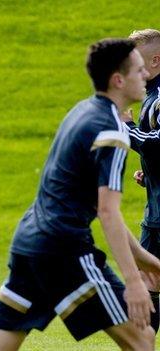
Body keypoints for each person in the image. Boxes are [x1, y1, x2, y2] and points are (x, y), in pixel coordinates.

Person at [0, 38, 160, 351]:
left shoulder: (81, 112)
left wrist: (150, 264)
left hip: (29, 244)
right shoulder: (112, 133)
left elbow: (92, 204)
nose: (146, 76)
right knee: (142, 339)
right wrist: (133, 282)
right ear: (119, 79)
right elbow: (108, 213)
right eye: (139, 71)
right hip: (64, 251)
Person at [123, 28, 160, 334]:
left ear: (155, 61)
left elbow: (158, 142)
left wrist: (127, 128)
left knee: (147, 279)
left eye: (135, 63)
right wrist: (149, 174)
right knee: (149, 278)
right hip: (156, 208)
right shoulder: (152, 96)